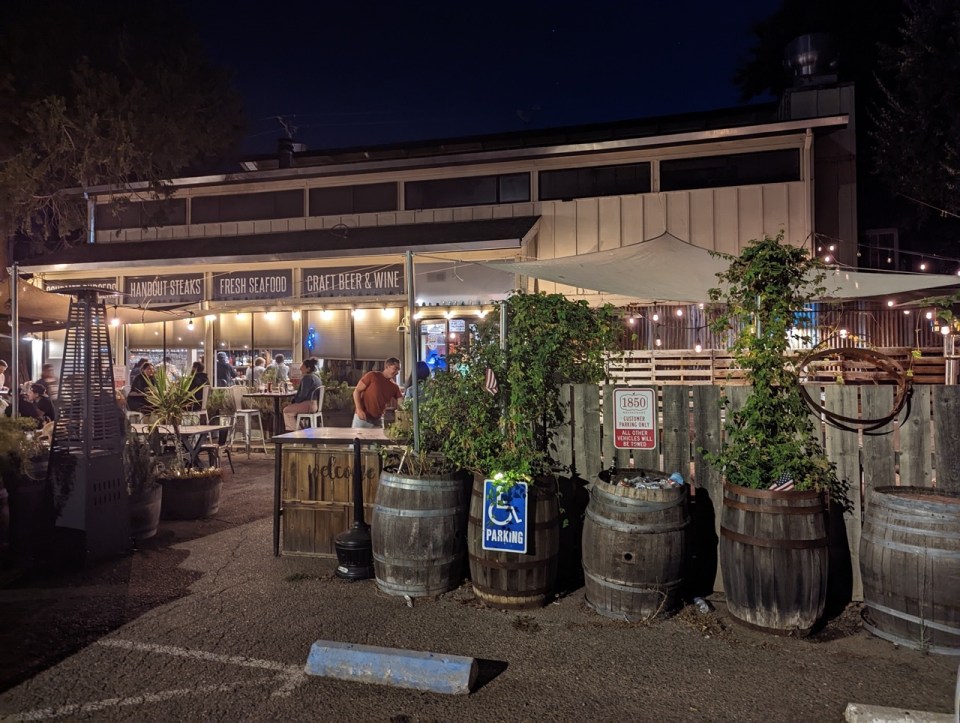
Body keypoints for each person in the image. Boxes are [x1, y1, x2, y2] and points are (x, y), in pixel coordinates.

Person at [352, 357, 402, 428]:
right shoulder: (372, 376)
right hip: (362, 418)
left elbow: (401, 401)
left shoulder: (395, 387)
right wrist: (359, 409)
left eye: (398, 370)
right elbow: (356, 391)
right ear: (386, 367)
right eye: (395, 368)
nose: (397, 372)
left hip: (378, 421)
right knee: (356, 439)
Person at [282, 357, 322, 431]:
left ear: (308, 368)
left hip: (308, 405)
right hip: (315, 405)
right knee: (291, 409)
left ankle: (294, 433)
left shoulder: (307, 378)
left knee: (286, 410)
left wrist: (293, 402)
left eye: (302, 366)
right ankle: (300, 429)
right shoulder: (316, 377)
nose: (300, 368)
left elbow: (303, 395)